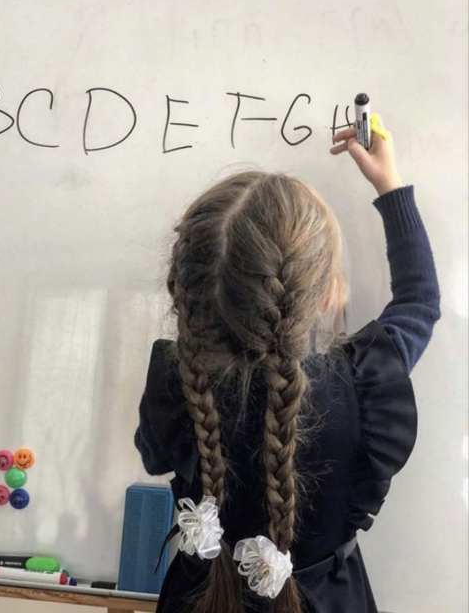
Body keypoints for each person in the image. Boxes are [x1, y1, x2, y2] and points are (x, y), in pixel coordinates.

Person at [134, 121, 441, 613]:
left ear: (191, 286)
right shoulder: (365, 384)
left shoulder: (177, 384)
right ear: (324, 295)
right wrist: (389, 184)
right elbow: (419, 301)